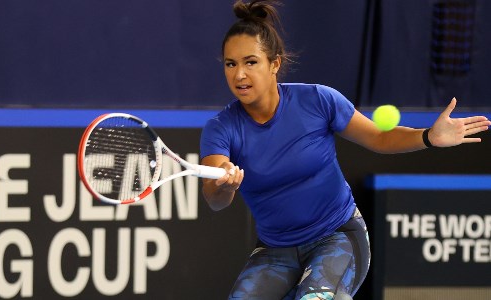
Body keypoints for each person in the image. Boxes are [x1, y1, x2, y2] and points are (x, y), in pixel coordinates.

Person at [199, 1, 491, 299]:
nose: (239, 75)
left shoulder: (318, 100)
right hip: (275, 250)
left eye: (250, 62)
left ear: (274, 63)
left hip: (337, 237)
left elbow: (378, 138)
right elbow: (215, 198)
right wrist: (225, 184)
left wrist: (428, 136)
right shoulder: (221, 128)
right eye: (230, 64)